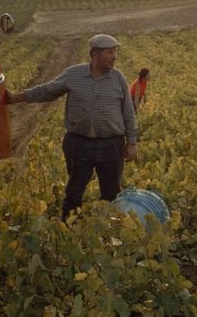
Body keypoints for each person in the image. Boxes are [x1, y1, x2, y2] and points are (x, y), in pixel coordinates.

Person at [7, 34, 138, 219]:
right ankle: (69, 229)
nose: (115, 56)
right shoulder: (74, 74)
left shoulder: (118, 78)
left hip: (111, 145)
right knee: (74, 192)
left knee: (111, 192)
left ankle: (109, 230)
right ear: (95, 54)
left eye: (115, 52)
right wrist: (16, 98)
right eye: (110, 52)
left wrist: (131, 142)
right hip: (79, 144)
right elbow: (47, 91)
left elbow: (128, 113)